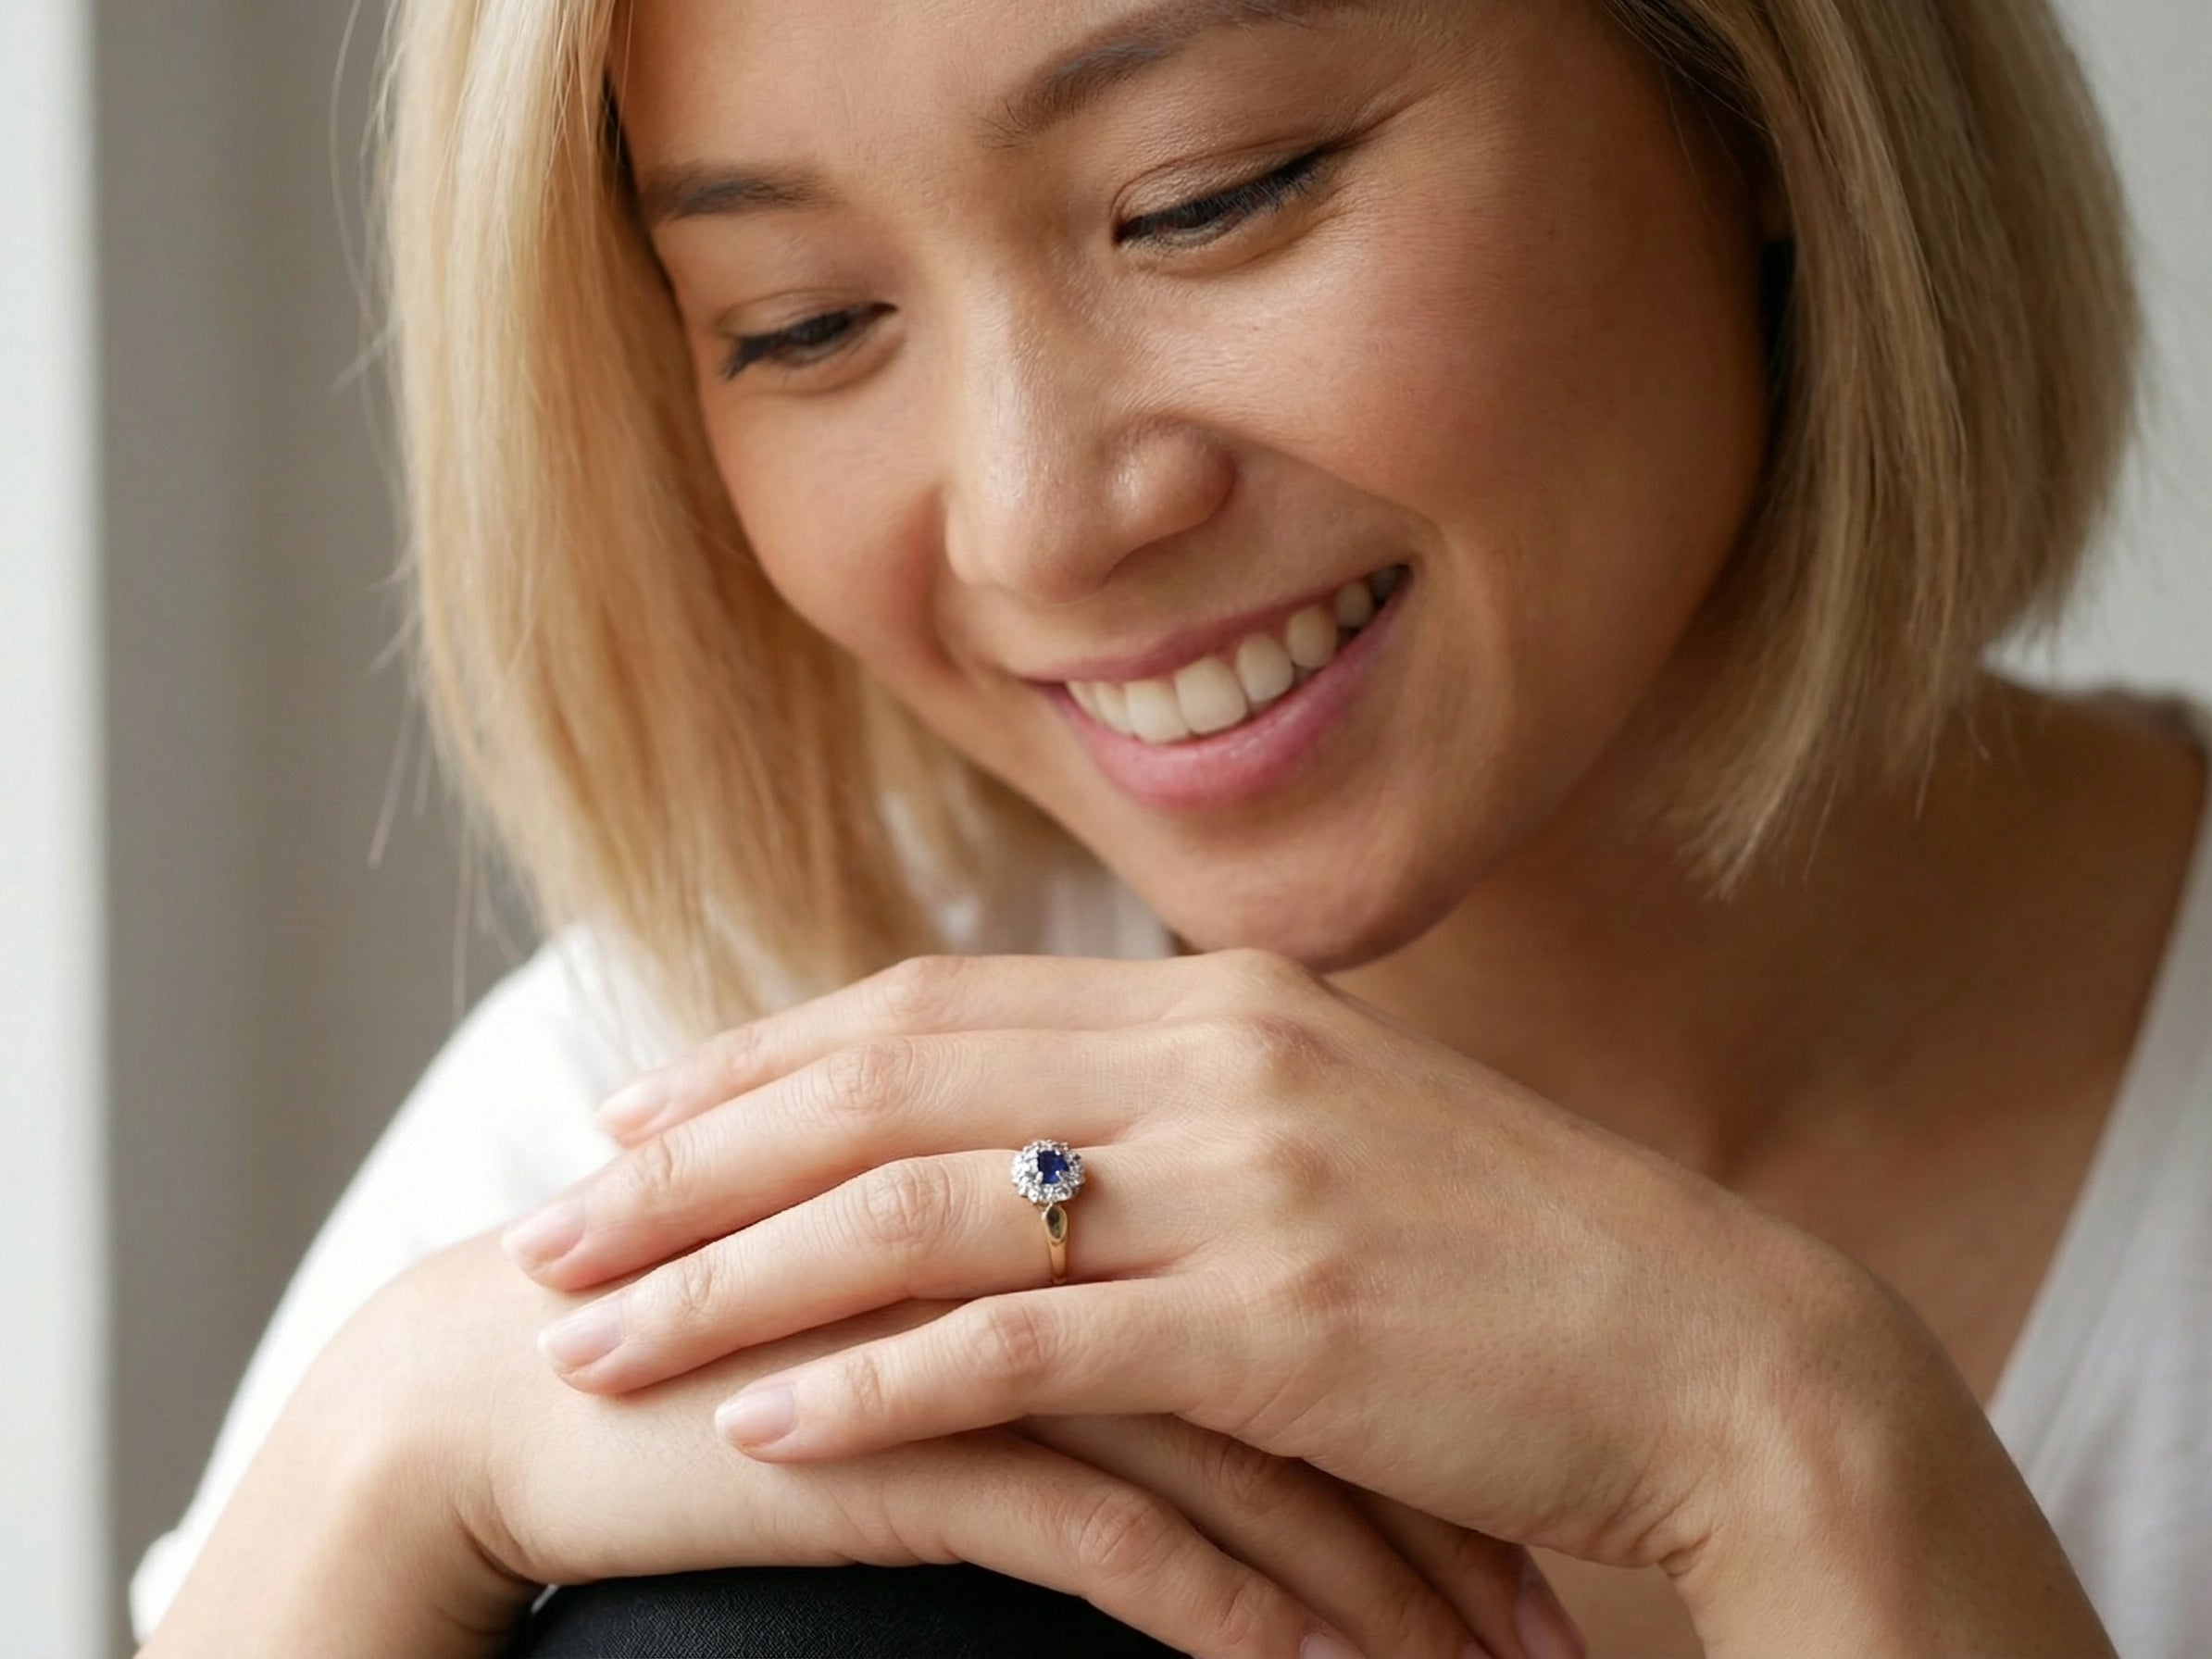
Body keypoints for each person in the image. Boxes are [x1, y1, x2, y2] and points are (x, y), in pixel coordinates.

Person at [130, 0, 2212, 1653]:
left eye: (1208, 197)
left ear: (1753, 90)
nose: (1038, 518)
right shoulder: (657, 1112)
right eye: (803, 324)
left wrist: (1797, 1442)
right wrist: (375, 1467)